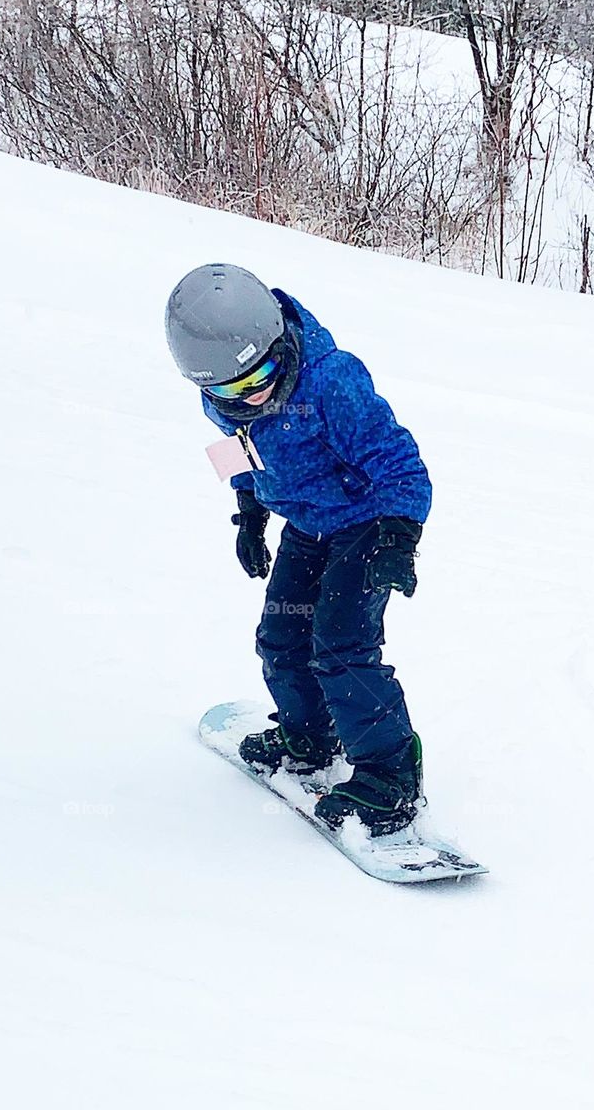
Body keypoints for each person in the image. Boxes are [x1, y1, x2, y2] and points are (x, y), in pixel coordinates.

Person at [165, 263, 432, 836]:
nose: (252, 396)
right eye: (231, 391)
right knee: (281, 636)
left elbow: (400, 461)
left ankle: (390, 778)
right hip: (307, 524)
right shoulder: (224, 397)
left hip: (365, 522)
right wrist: (249, 513)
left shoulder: (332, 382)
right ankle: (308, 736)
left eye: (259, 376)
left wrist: (399, 536)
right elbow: (239, 449)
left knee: (340, 645)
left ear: (276, 342)